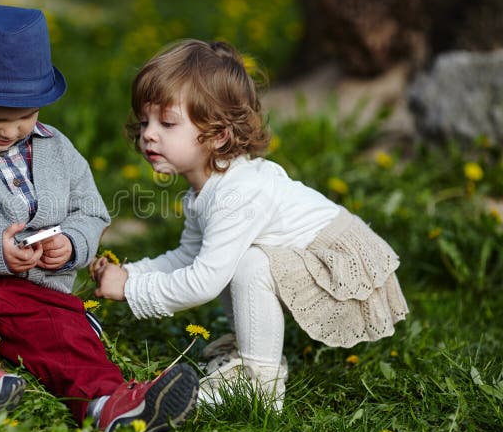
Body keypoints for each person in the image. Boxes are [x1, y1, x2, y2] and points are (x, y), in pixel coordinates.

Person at [0, 3, 198, 432]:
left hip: (33, 294)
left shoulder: (58, 151)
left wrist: (72, 244)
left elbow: (90, 212)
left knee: (64, 335)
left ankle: (110, 405)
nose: (9, 131)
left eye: (25, 117)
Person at [91, 39, 409, 412]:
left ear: (218, 135)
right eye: (145, 121)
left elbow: (202, 283)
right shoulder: (206, 190)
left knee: (247, 263)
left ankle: (259, 379)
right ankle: (250, 350)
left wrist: (133, 291)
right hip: (311, 258)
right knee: (232, 257)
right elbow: (189, 257)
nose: (148, 134)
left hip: (339, 263)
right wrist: (129, 274)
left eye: (167, 122)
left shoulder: (238, 193)